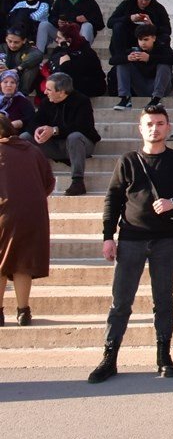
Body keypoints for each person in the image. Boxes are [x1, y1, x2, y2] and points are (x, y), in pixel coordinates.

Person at [88, 103, 173, 383]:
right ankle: (110, 357)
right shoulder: (127, 161)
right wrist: (107, 237)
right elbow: (113, 200)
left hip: (165, 240)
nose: (155, 128)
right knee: (120, 302)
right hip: (131, 239)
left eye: (160, 123)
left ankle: (163, 356)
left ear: (168, 126)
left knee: (164, 301)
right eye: (149, 124)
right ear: (141, 128)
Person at [0, 113, 54, 327]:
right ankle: (23, 311)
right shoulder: (33, 150)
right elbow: (48, 182)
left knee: (2, 264)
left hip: (4, 213)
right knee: (23, 263)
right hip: (34, 213)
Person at [23, 73, 99, 196]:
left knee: (75, 137)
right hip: (54, 146)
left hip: (79, 146)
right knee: (24, 138)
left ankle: (78, 182)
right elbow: (33, 121)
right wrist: (37, 130)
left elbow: (83, 127)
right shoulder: (47, 102)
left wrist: (54, 130)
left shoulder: (82, 101)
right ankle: (25, 179)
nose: (45, 92)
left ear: (62, 92)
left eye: (49, 89)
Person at [111, 24, 173, 110]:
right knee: (123, 63)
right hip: (141, 85)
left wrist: (150, 58)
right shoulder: (135, 50)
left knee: (164, 65)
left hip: (162, 87)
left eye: (146, 39)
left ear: (153, 38)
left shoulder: (162, 47)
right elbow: (112, 60)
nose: (143, 43)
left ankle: (156, 99)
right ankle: (125, 98)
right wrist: (128, 58)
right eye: (140, 40)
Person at [36, 0, 105, 52]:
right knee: (44, 24)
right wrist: (57, 22)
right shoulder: (60, 1)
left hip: (80, 36)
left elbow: (100, 24)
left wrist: (87, 19)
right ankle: (37, 56)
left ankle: (82, 55)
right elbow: (51, 17)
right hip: (63, 35)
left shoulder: (90, 2)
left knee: (87, 25)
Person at [106, 0, 172, 57]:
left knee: (165, 37)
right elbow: (110, 22)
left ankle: (156, 59)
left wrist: (152, 26)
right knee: (118, 26)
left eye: (147, 0)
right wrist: (129, 18)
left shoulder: (158, 8)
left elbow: (167, 30)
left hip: (149, 42)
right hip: (128, 39)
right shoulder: (127, 4)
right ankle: (119, 58)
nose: (143, 2)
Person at [46, 23, 106, 98]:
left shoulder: (86, 52)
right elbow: (52, 66)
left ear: (69, 40)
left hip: (89, 85)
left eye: (59, 38)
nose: (56, 40)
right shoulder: (58, 50)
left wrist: (66, 63)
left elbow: (76, 73)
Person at [0, 28, 42, 95]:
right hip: (4, 80)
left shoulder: (28, 48)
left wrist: (18, 68)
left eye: (16, 42)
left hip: (21, 81)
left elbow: (38, 55)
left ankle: (22, 95)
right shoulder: (2, 47)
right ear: (6, 39)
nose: (12, 45)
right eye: (10, 41)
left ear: (24, 41)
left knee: (33, 66)